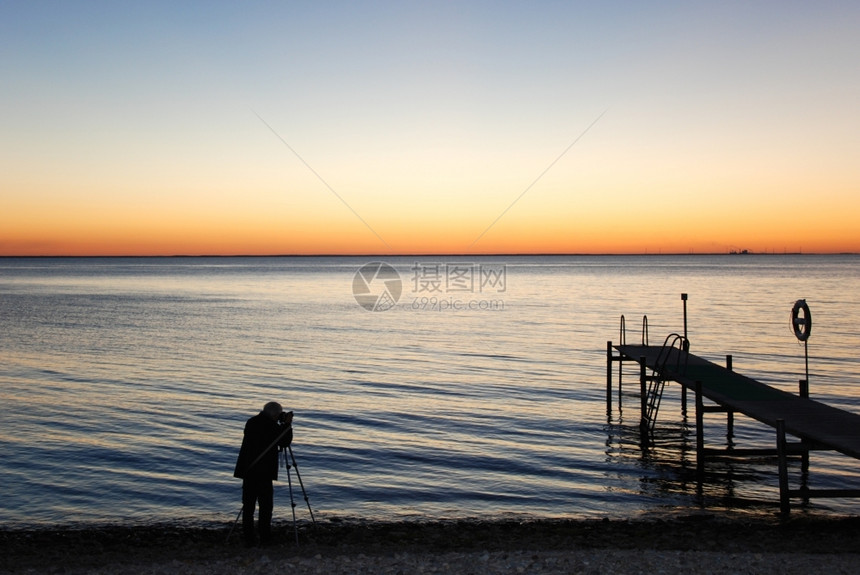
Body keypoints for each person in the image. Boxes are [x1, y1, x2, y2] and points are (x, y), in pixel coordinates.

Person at [233, 401, 293, 546]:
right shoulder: (272, 426)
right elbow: (285, 442)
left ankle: (249, 538)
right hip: (263, 473)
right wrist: (286, 424)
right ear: (275, 414)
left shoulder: (251, 422)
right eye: (279, 414)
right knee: (265, 506)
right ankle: (265, 537)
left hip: (248, 470)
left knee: (248, 506)